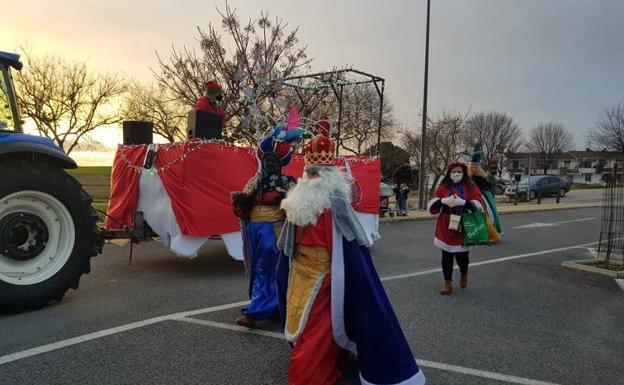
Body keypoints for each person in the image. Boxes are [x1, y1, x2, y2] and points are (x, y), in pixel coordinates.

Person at [276, 132, 425, 385]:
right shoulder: (298, 202)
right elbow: (288, 245)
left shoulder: (331, 203)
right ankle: (315, 372)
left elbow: (350, 246)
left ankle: (314, 372)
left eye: (316, 173)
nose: (312, 177)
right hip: (303, 274)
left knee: (316, 330)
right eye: (310, 172)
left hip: (323, 277)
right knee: (310, 328)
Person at [231, 124, 302, 328]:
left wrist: (284, 200)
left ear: (281, 163)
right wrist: (240, 204)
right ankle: (275, 306)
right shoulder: (255, 181)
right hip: (255, 230)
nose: (269, 163)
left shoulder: (288, 182)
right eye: (267, 159)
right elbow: (243, 201)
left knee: (269, 270)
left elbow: (298, 202)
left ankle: (256, 311)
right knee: (258, 269)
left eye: (274, 160)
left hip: (276, 229)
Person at [428, 161, 484, 295]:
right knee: (446, 255)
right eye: (454, 172)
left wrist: (464, 202)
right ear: (449, 173)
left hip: (463, 223)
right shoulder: (444, 186)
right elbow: (433, 204)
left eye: (459, 172)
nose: (456, 174)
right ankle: (448, 283)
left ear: (464, 173)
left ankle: (464, 272)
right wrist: (442, 201)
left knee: (462, 257)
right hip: (445, 224)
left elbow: (478, 204)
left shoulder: (470, 186)